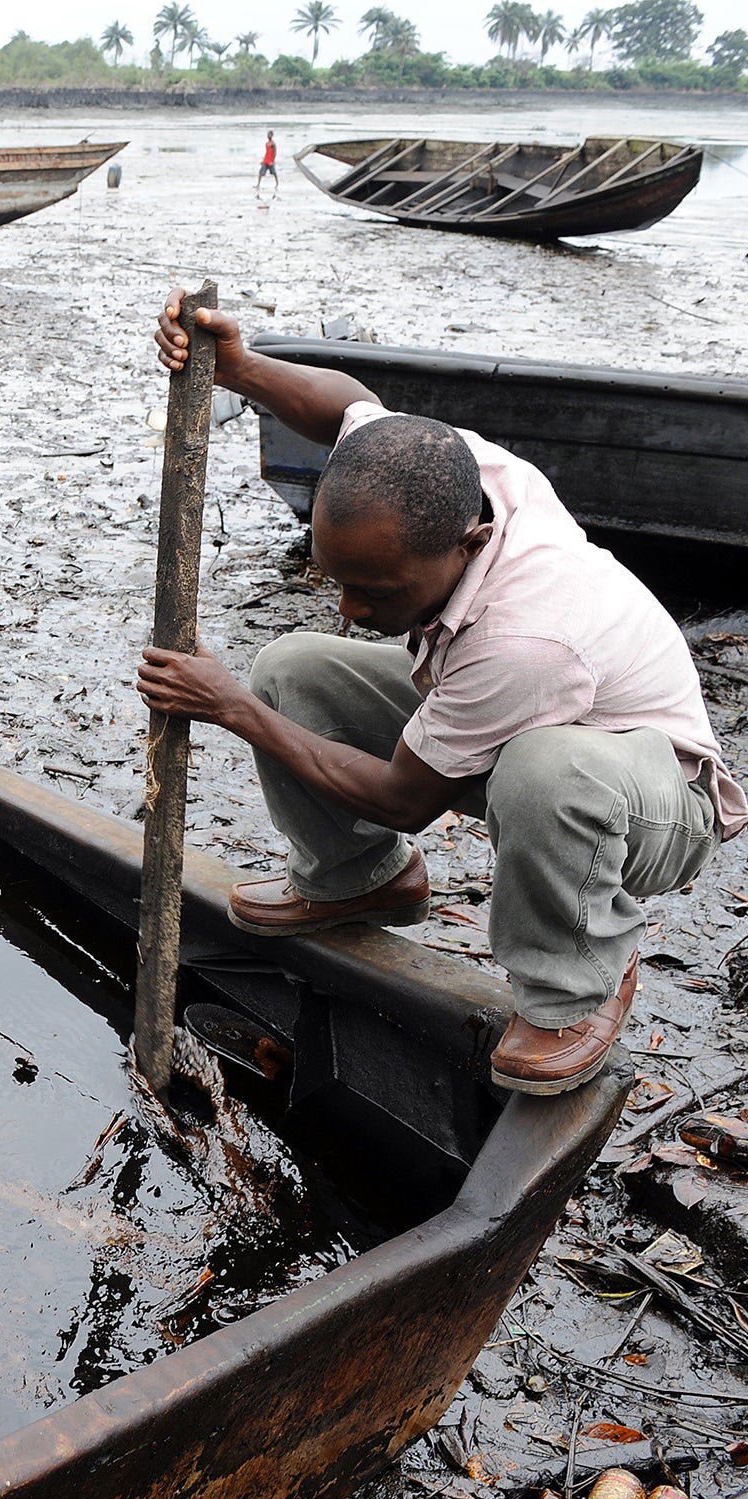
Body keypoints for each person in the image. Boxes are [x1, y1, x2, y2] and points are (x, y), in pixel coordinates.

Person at [138, 291, 743, 1096]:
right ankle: (357, 880)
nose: (352, 610)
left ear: (472, 545)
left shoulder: (526, 640)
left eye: (376, 590)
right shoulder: (449, 470)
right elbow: (350, 409)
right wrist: (241, 367)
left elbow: (400, 798)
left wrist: (229, 708)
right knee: (292, 667)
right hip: (529, 729)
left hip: (652, 799)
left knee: (545, 770)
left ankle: (575, 989)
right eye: (339, 580)